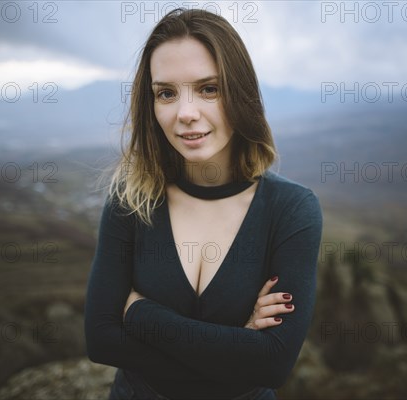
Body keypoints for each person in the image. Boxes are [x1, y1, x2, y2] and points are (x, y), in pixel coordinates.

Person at [84, 8, 322, 400]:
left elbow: (273, 364)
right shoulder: (132, 200)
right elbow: (101, 340)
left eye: (209, 89)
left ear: (240, 94)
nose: (186, 114)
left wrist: (141, 315)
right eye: (167, 93)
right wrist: (235, 346)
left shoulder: (291, 209)